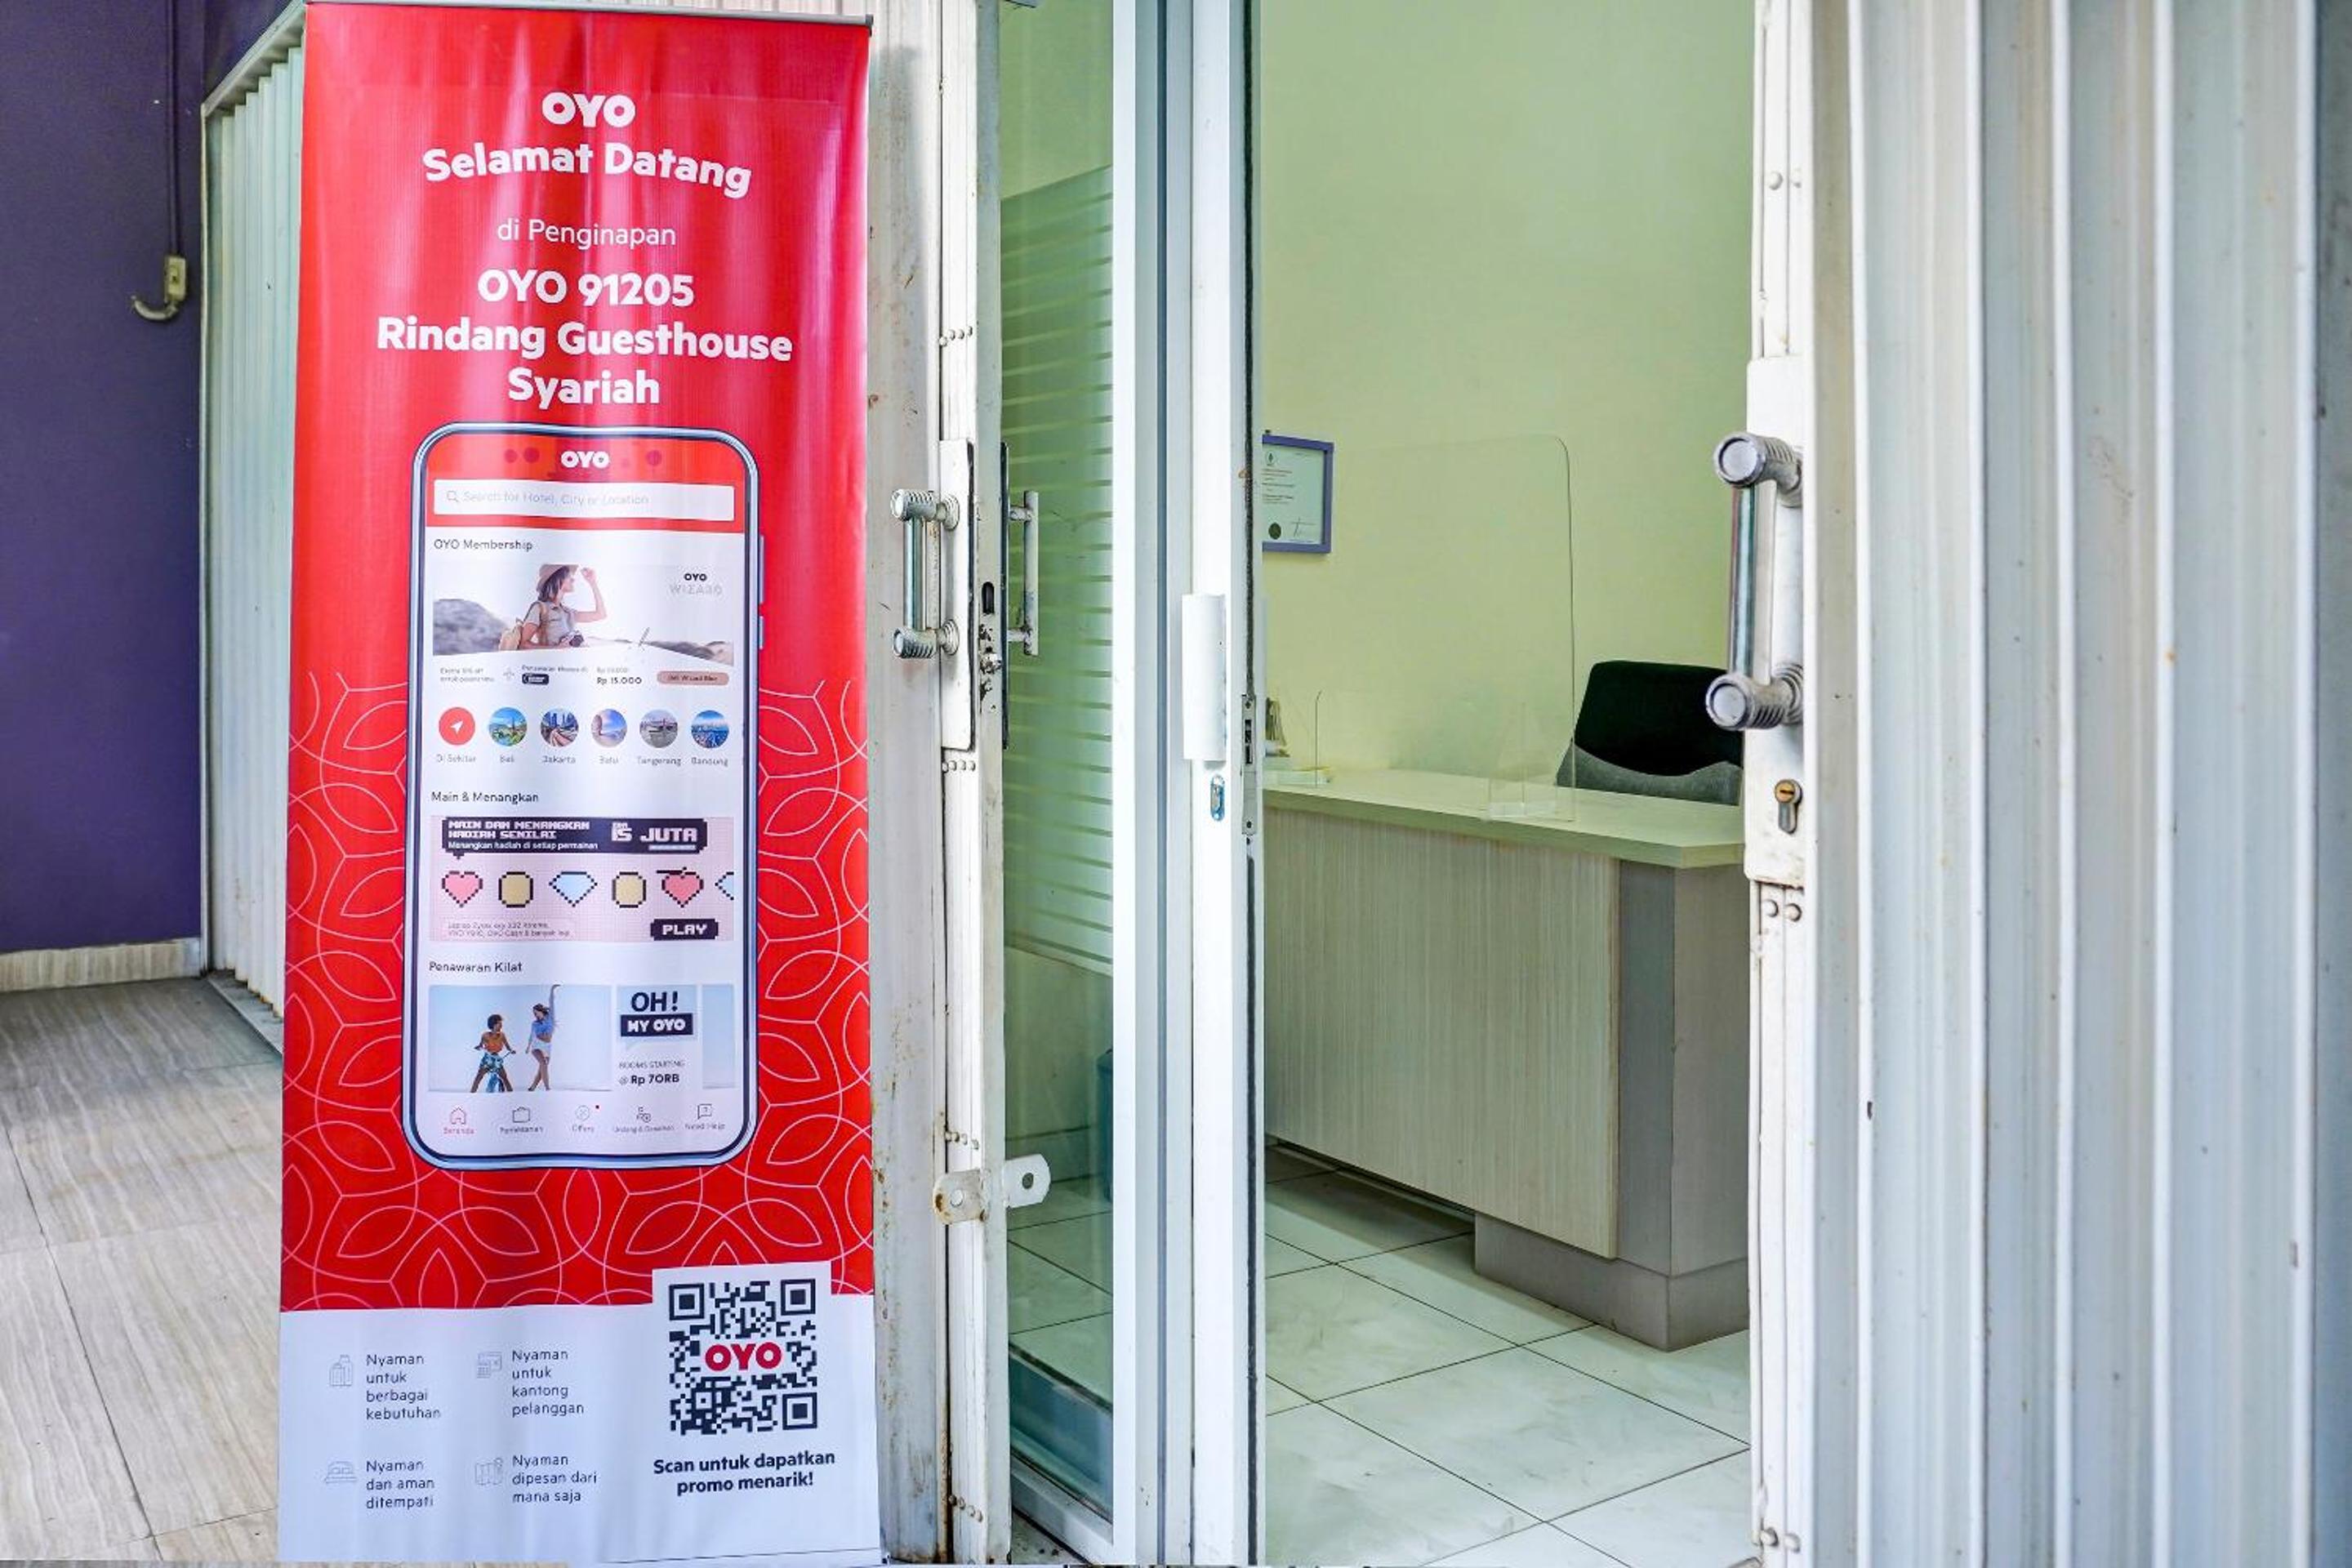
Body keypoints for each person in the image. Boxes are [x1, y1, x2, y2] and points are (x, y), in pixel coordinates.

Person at [517, 564, 606, 648]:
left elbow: (601, 615)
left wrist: (593, 583)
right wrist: (556, 649)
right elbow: (524, 644)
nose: (573, 580)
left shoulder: (568, 612)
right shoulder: (540, 608)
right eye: (569, 576)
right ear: (557, 579)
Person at [470, 1013, 513, 1093]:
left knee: (504, 1077)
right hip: (487, 1059)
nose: (501, 1025)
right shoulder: (485, 1035)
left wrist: (511, 1050)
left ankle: (511, 1094)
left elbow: (508, 1046)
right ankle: (471, 1094)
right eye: (499, 1023)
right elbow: (481, 1045)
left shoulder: (502, 1035)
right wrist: (478, 1047)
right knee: (479, 1076)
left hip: (496, 1059)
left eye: (501, 1023)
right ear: (494, 1024)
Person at [525, 985, 557, 1090]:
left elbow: (551, 1002)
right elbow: (532, 1035)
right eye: (533, 1013)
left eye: (536, 1012)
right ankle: (548, 1088)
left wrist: (552, 990)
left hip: (547, 1047)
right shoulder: (535, 1024)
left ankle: (532, 1087)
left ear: (541, 1011)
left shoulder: (550, 1018)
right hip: (537, 1046)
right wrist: (528, 1047)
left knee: (542, 1068)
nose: (534, 1015)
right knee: (543, 1063)